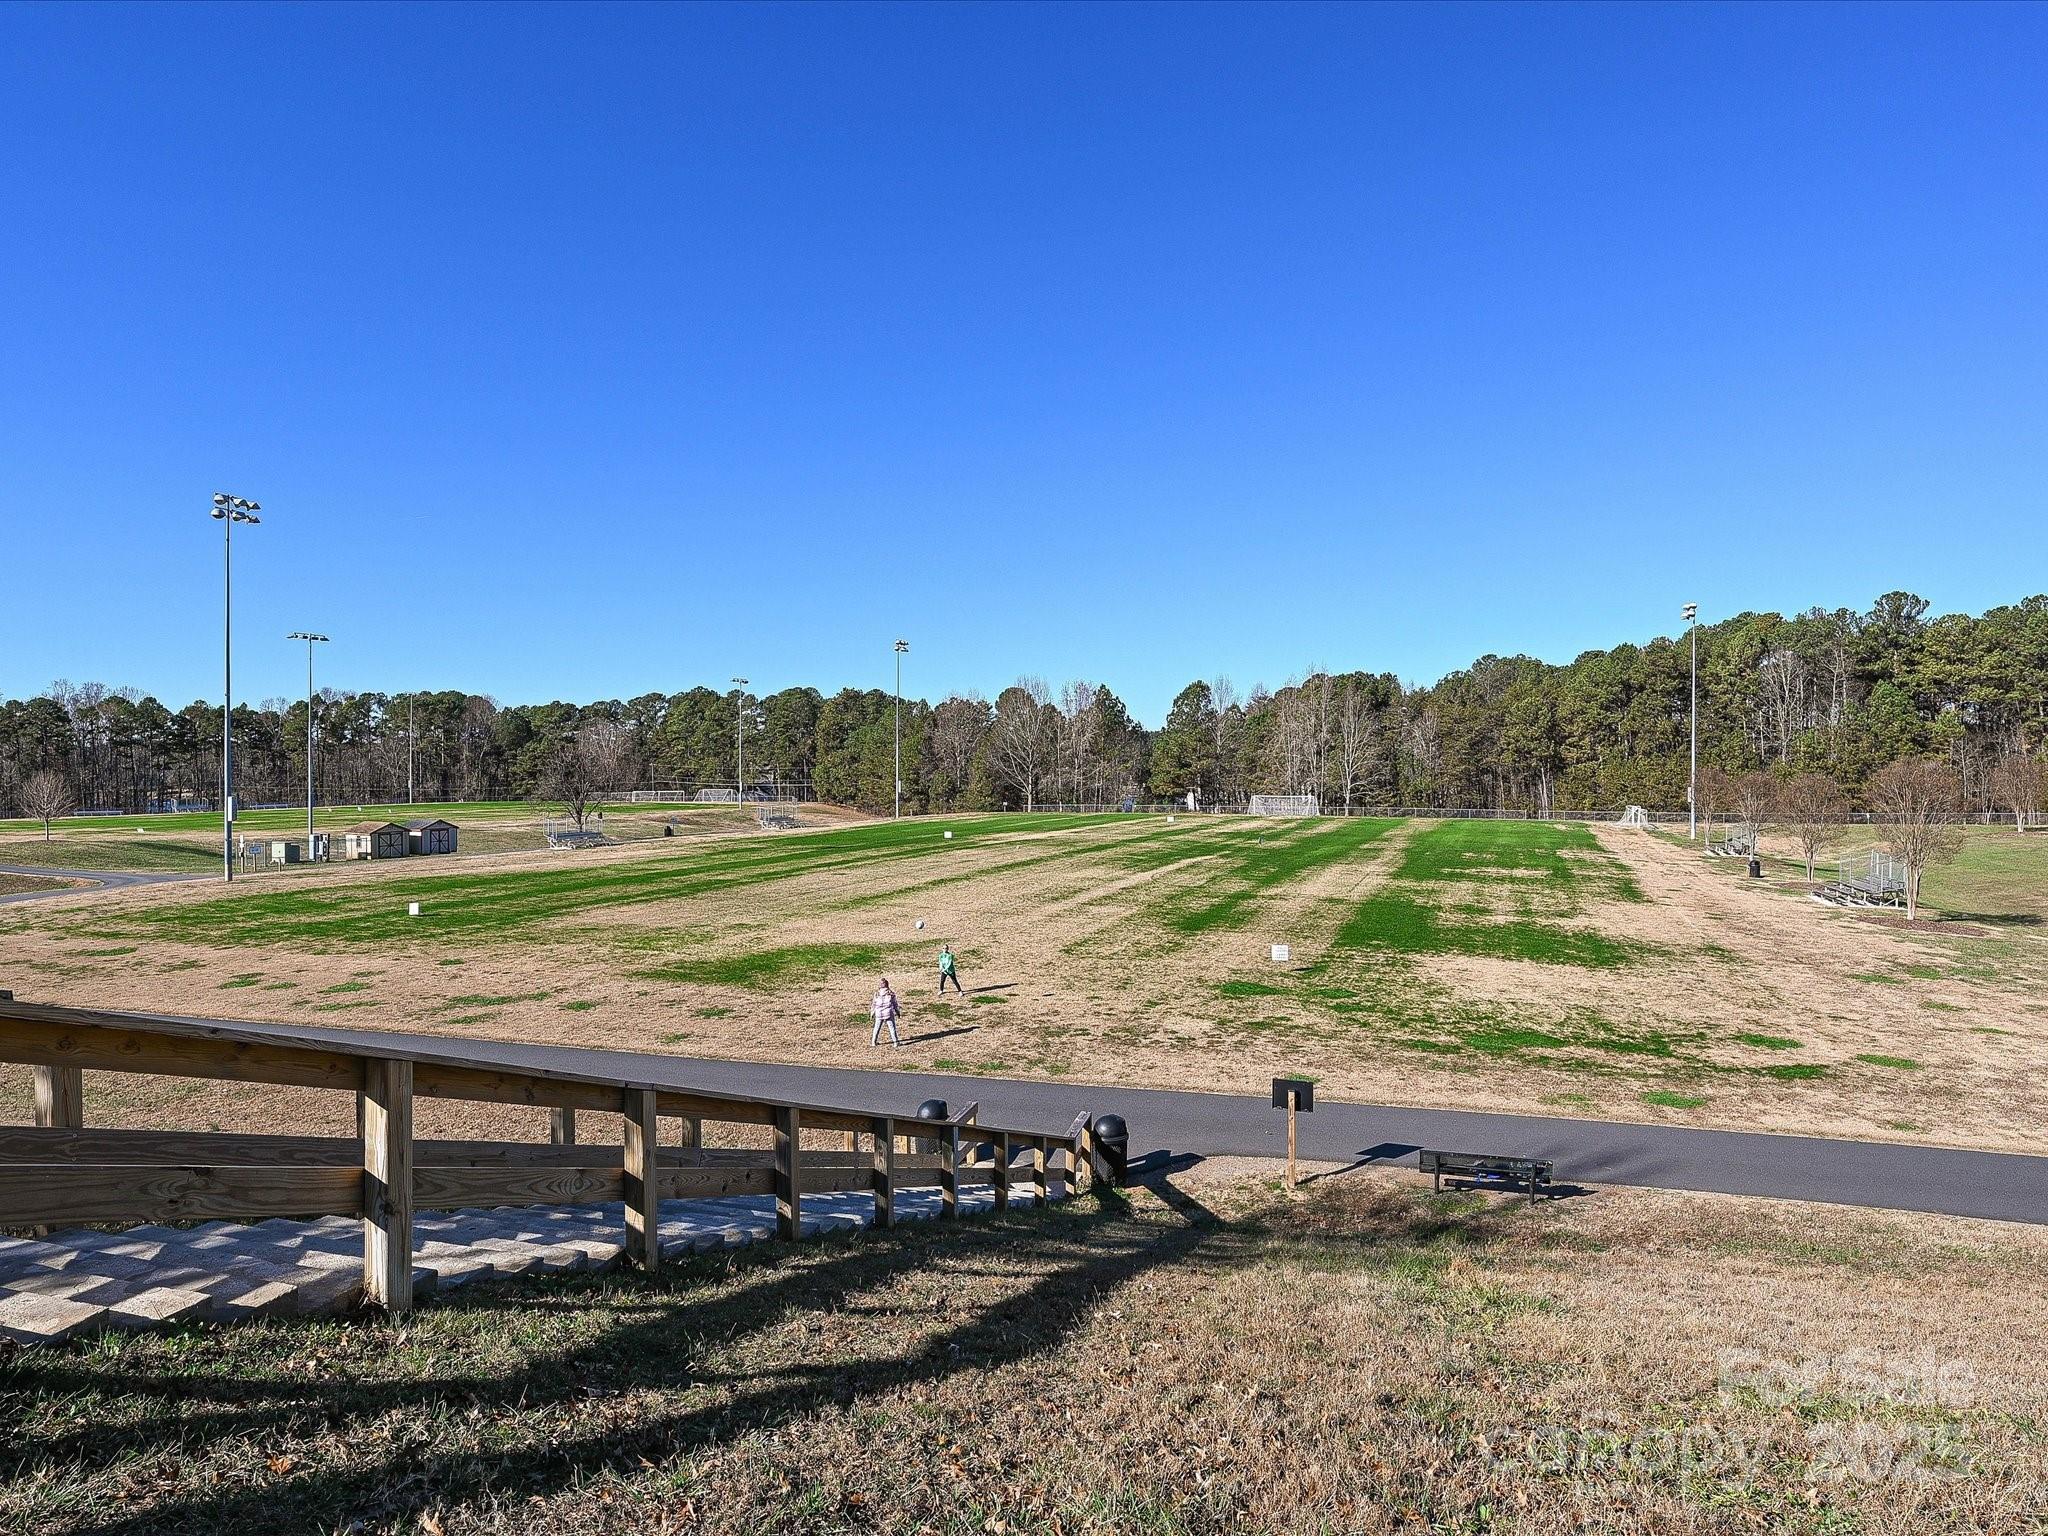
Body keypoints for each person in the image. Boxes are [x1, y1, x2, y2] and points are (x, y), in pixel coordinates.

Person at [870, 977, 902, 1048]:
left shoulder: (877, 993)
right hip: (888, 1013)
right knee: (892, 1028)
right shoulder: (891, 993)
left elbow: (874, 1004)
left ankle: (873, 1042)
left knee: (876, 1028)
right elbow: (895, 1004)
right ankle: (895, 1042)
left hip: (879, 1013)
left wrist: (872, 1013)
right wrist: (898, 1012)